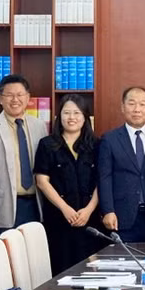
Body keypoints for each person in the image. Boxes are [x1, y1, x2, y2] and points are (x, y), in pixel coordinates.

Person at [35, 94, 102, 275]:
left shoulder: (96, 145)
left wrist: (88, 210)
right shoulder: (47, 144)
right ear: (59, 117)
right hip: (59, 220)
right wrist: (65, 209)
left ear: (85, 117)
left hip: (90, 221)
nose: (71, 118)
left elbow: (101, 181)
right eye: (66, 113)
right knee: (61, 271)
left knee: (91, 272)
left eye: (76, 113)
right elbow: (42, 181)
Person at [0, 74, 48, 236]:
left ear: (28, 98)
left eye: (19, 95)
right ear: (0, 99)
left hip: (35, 204)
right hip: (4, 207)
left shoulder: (39, 126)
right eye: (9, 95)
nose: (15, 99)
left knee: (32, 257)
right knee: (7, 258)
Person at [98, 86, 145, 242]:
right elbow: (104, 178)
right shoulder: (110, 139)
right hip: (121, 218)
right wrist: (108, 210)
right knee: (124, 264)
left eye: (142, 104)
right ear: (122, 107)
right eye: (131, 103)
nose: (137, 109)